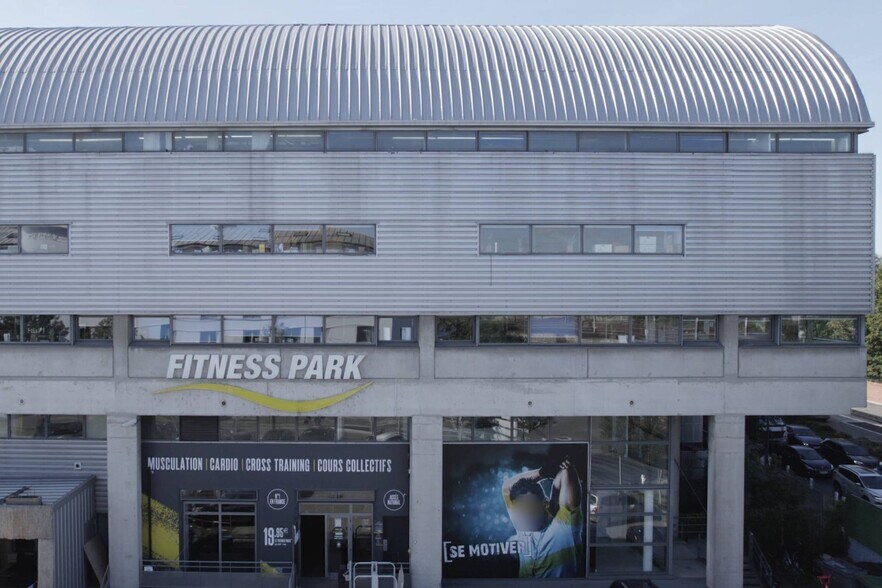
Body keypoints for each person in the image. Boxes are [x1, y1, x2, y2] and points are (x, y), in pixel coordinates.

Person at [502, 457, 583, 578]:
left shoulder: (564, 525)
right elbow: (507, 486)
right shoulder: (521, 525)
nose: (526, 516)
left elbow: (566, 474)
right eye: (521, 511)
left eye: (530, 508)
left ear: (545, 503)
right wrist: (542, 473)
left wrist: (562, 474)